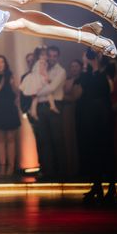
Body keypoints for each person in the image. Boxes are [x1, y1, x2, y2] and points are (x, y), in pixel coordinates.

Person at [73, 50, 117, 204]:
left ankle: (112, 188)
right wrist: (86, 66)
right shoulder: (87, 74)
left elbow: (105, 88)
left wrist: (96, 65)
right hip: (89, 117)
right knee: (92, 152)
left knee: (106, 152)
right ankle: (97, 186)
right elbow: (82, 88)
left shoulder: (107, 70)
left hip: (103, 117)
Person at [30, 45, 67, 181]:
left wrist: (35, 90)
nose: (51, 58)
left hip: (54, 106)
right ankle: (47, 172)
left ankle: (61, 172)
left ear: (58, 57)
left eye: (54, 56)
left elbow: (51, 88)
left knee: (57, 139)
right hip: (41, 106)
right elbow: (34, 81)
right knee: (43, 140)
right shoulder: (41, 66)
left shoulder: (61, 71)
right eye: (49, 56)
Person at [0, 55, 21, 179]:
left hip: (10, 109)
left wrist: (11, 84)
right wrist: (1, 84)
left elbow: (17, 92)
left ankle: (11, 167)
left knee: (11, 138)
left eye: (2, 62)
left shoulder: (11, 76)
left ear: (5, 64)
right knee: (0, 139)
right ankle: (2, 166)